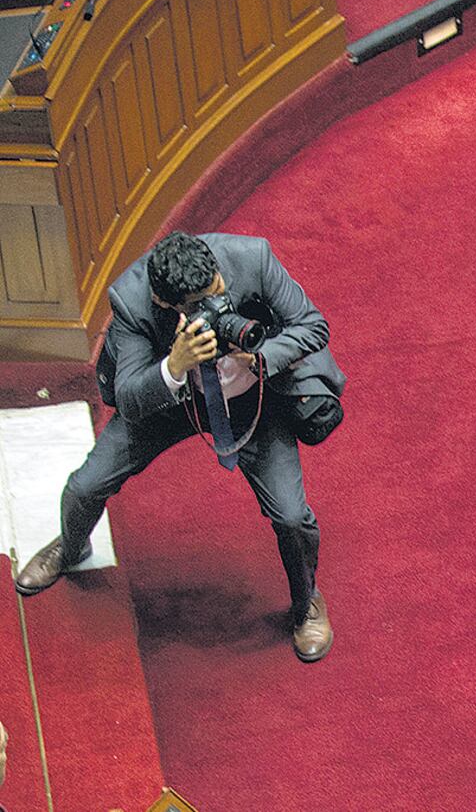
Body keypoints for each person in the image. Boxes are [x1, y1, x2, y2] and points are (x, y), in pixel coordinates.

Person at [13, 232, 345, 663]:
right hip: (173, 403)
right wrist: (174, 365)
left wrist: (259, 358)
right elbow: (129, 397)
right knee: (85, 485)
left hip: (253, 398)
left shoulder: (252, 258)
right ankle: (72, 547)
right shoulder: (132, 301)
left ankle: (307, 603)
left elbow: (312, 325)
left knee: (291, 515)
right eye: (204, 300)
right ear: (165, 301)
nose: (219, 300)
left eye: (219, 290)